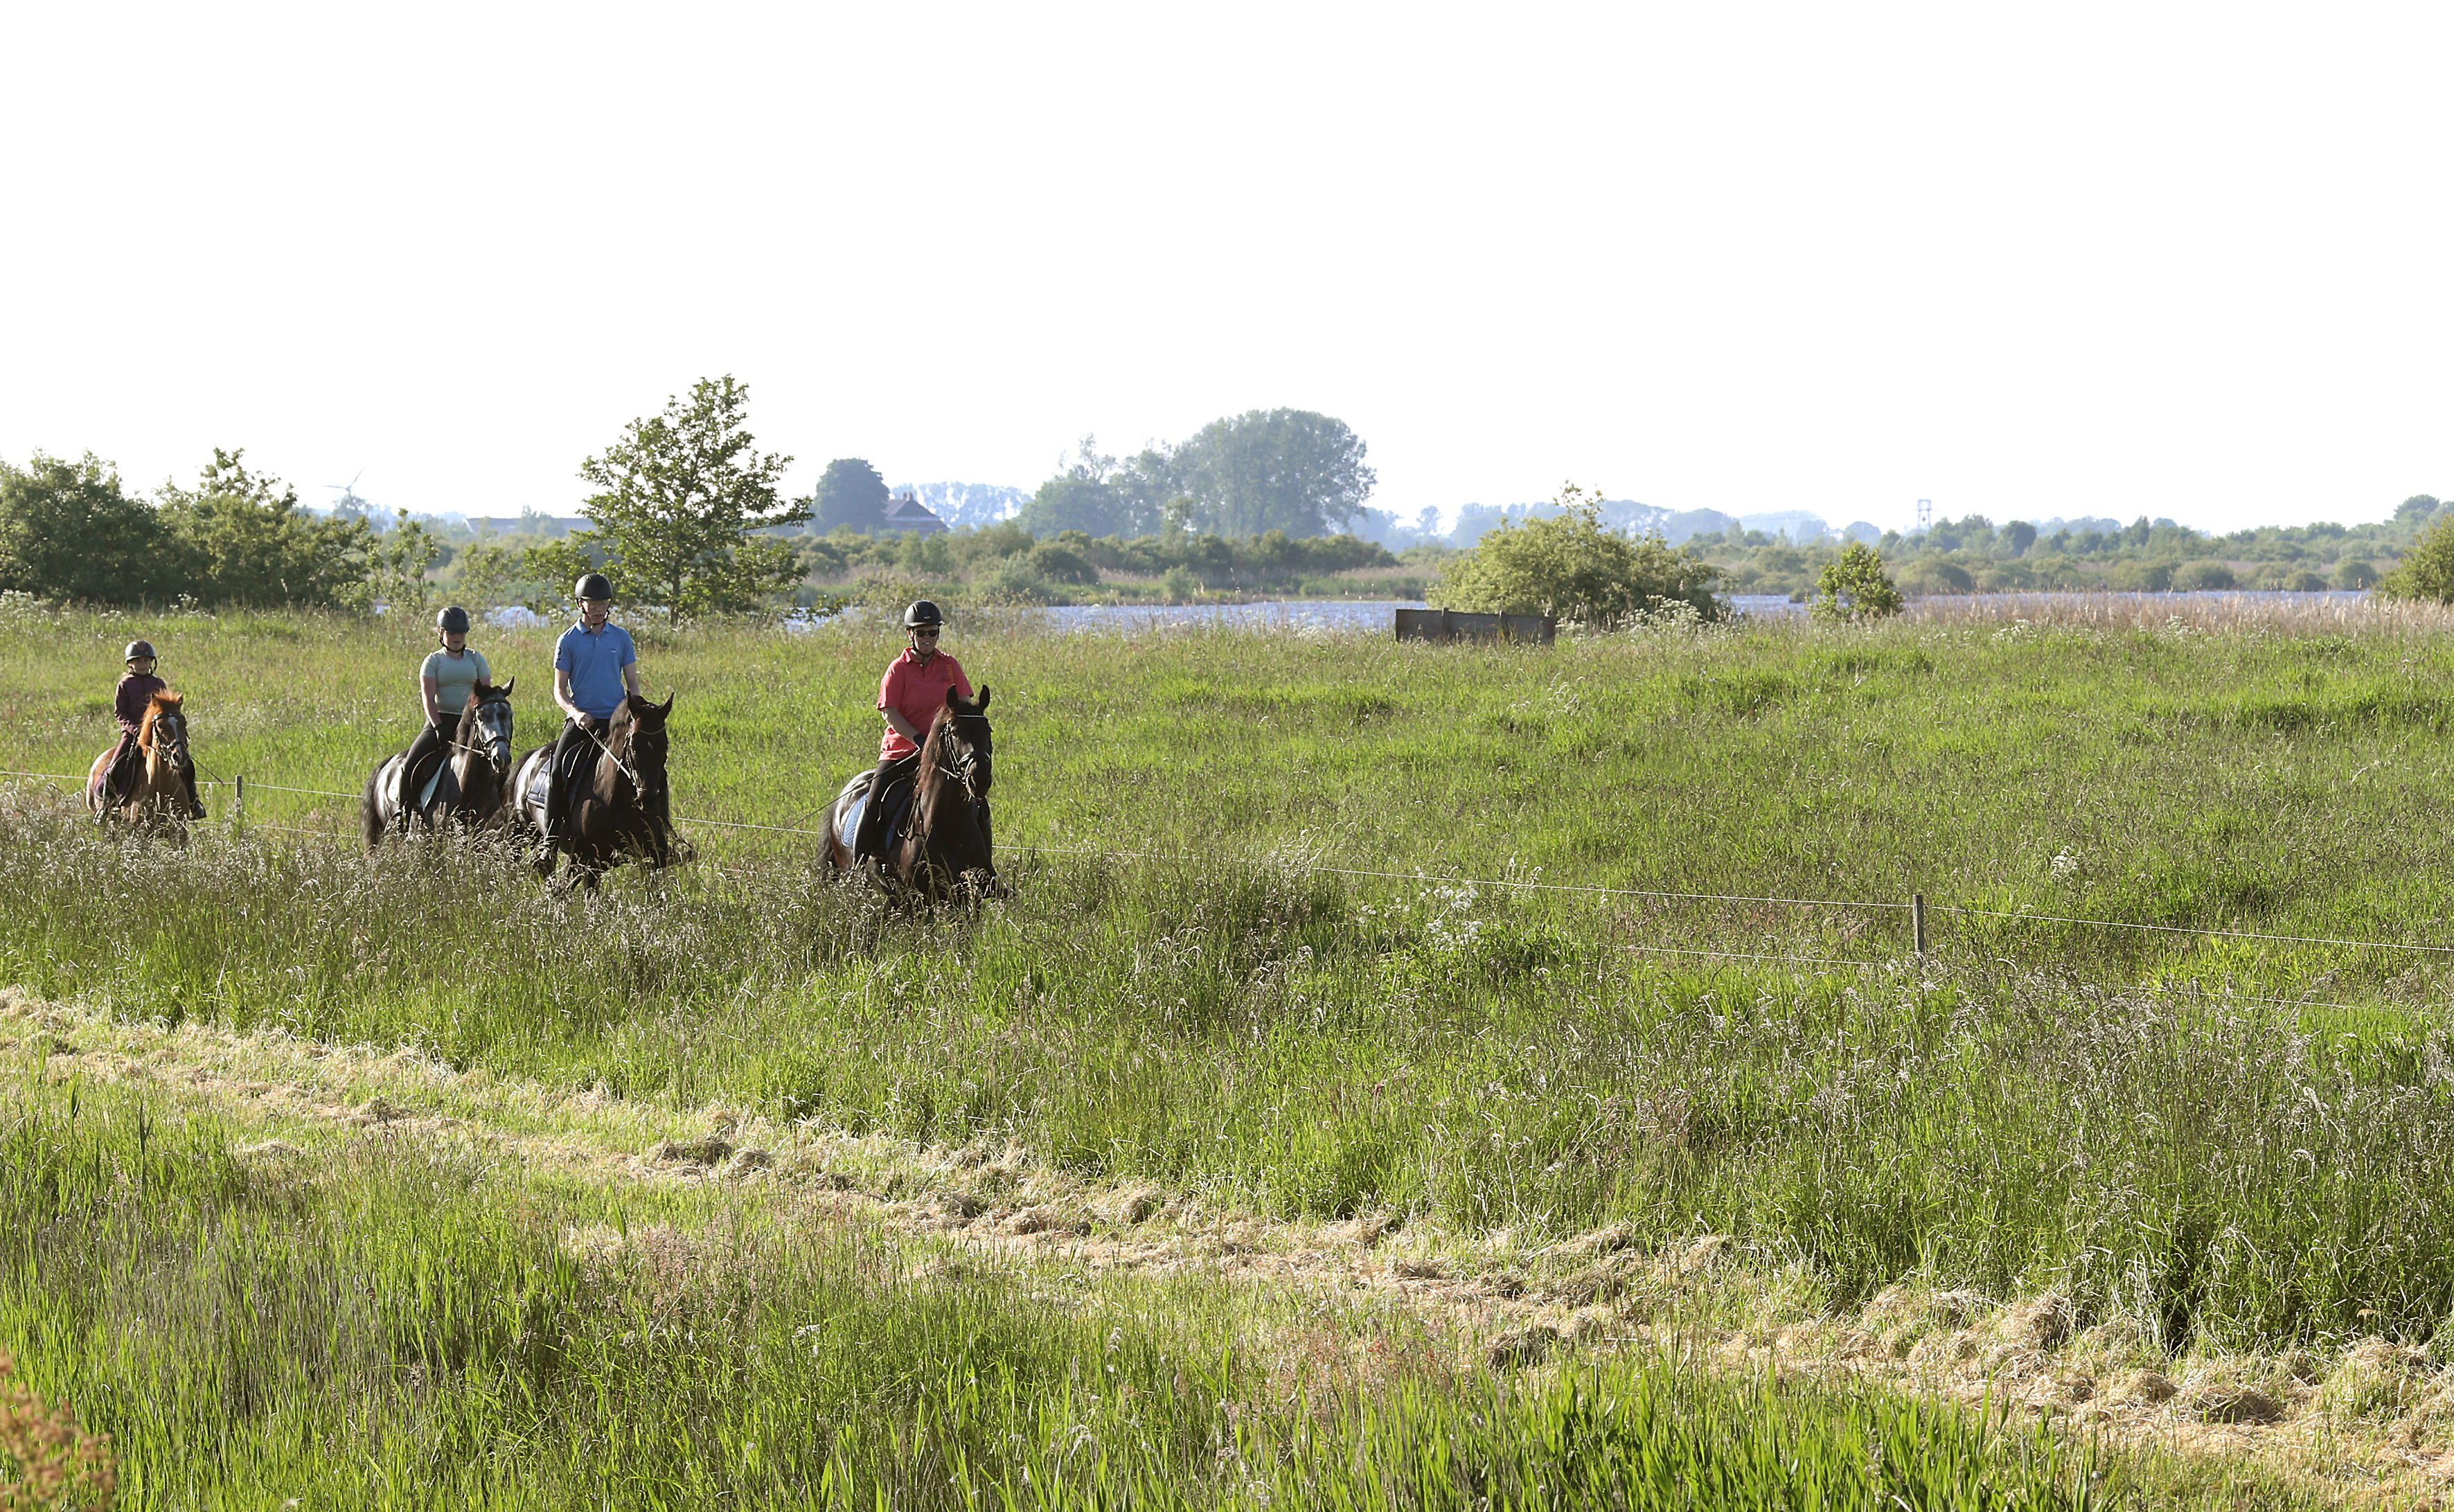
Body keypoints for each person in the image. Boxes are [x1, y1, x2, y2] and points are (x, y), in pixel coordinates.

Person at [851, 600, 972, 860]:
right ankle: (857, 869)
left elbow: (963, 705)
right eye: (921, 632)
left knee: (975, 802)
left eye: (932, 632)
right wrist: (919, 739)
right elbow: (889, 713)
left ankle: (985, 867)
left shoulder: (950, 666)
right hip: (902, 750)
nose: (927, 638)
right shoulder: (898, 668)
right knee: (874, 802)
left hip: (944, 753)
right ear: (911, 634)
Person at [537, 573, 639, 857]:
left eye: (603, 603)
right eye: (592, 603)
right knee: (558, 770)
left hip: (618, 721)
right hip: (583, 722)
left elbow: (632, 684)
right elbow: (559, 691)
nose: (599, 608)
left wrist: (637, 708)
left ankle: (661, 835)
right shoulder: (568, 641)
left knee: (651, 768)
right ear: (580, 604)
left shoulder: (621, 637)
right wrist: (576, 713)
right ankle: (550, 839)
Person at [399, 606, 492, 810]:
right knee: (410, 765)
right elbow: (428, 698)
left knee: (498, 763)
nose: (458, 637)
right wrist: (438, 725)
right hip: (440, 721)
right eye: (452, 633)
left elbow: (485, 695)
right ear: (441, 633)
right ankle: (403, 815)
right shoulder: (433, 661)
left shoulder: (476, 659)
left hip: (471, 724)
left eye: (461, 632)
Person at [106, 639, 204, 819]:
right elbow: (120, 712)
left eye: (146, 661)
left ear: (152, 662)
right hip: (133, 734)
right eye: (138, 661)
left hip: (158, 734)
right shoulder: (125, 685)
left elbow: (166, 710)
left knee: (186, 763)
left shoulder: (158, 683)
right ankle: (107, 802)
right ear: (130, 664)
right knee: (115, 765)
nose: (142, 665)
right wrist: (133, 729)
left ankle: (193, 801)